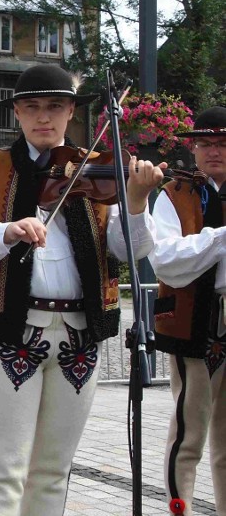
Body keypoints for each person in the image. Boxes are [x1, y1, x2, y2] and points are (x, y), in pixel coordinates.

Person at [0, 64, 165, 516]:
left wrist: (138, 202)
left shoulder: (99, 168)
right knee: (6, 465)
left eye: (55, 107)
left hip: (80, 331)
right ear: (18, 114)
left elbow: (131, 249)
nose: (43, 117)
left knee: (54, 467)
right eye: (32, 107)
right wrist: (7, 230)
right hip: (13, 328)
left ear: (70, 113)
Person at [148, 106, 226, 516]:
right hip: (194, 324)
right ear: (193, 148)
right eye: (205, 144)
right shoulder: (174, 194)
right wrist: (220, 240)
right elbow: (168, 262)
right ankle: (182, 512)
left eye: (222, 143)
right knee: (188, 436)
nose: (213, 151)